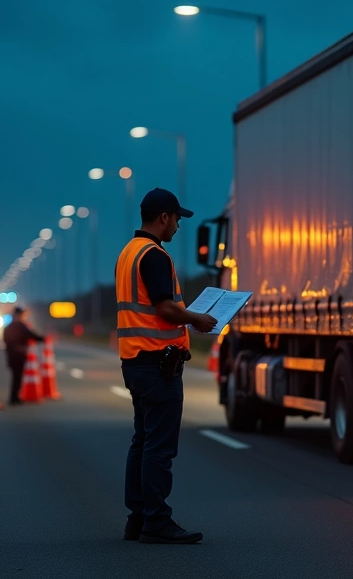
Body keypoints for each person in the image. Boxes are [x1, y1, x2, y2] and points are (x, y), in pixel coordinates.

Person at [116, 187, 217, 545]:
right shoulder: (155, 256)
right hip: (158, 364)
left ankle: (138, 520)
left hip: (135, 361)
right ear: (163, 218)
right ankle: (157, 521)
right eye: (176, 219)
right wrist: (196, 319)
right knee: (159, 447)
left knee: (142, 443)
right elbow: (164, 307)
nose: (177, 226)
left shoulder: (128, 253)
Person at [2, 306, 44, 405]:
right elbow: (31, 335)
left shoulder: (8, 327)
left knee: (16, 376)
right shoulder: (21, 326)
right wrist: (43, 339)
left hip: (11, 355)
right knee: (18, 377)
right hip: (19, 355)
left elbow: (5, 340)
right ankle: (14, 398)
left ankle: (15, 397)